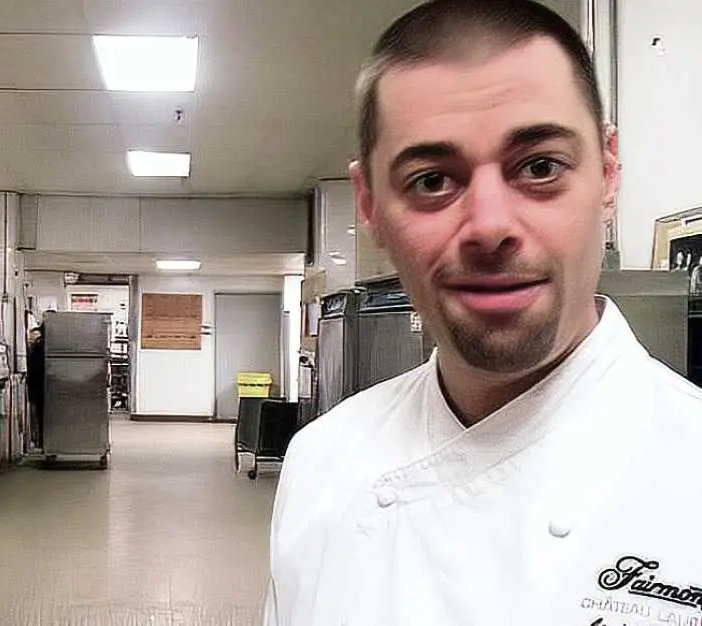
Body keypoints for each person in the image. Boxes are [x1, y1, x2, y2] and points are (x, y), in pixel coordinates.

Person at [264, 1, 702, 624]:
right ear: (369, 203)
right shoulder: (320, 465)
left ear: (607, 173)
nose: (490, 226)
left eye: (540, 167)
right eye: (432, 180)